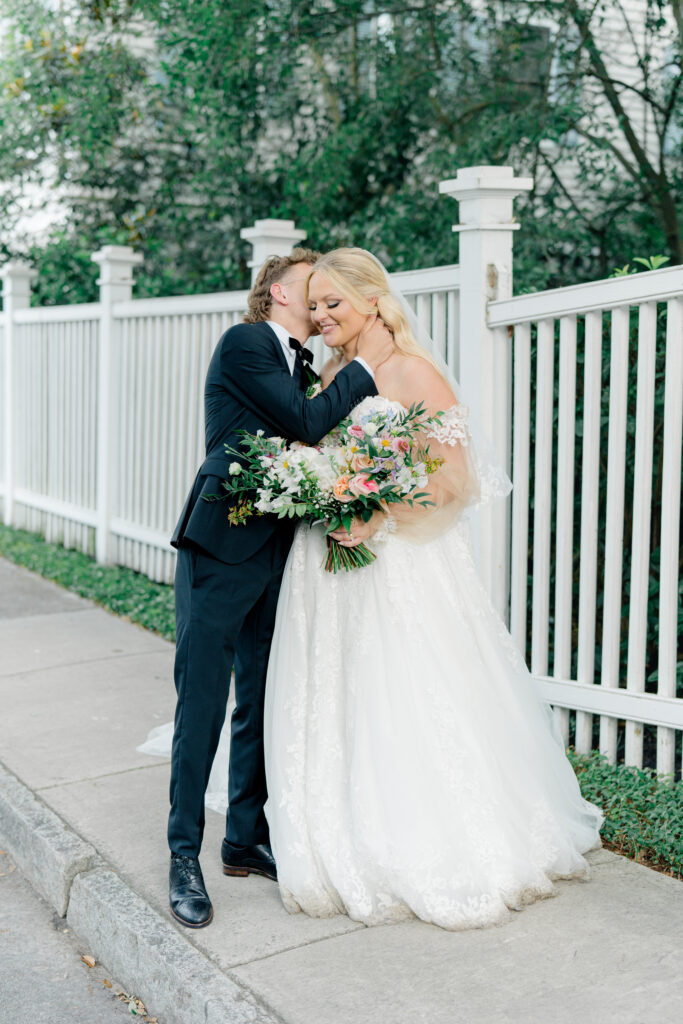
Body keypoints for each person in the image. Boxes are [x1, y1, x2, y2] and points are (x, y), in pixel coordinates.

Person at [262, 248, 604, 931]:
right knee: (340, 692)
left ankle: (422, 838)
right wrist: (319, 486)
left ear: (371, 301)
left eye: (333, 303)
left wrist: (374, 509)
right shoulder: (333, 371)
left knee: (406, 690)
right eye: (314, 304)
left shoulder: (413, 371)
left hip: (398, 564)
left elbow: (453, 480)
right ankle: (337, 824)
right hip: (327, 566)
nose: (321, 315)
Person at [166, 248, 394, 929]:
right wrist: (366, 365)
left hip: (280, 550)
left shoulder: (301, 363)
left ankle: (244, 839)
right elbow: (302, 423)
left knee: (263, 701)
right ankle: (184, 855)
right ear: (274, 292)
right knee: (203, 700)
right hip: (221, 544)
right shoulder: (244, 343)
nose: (320, 298)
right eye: (309, 288)